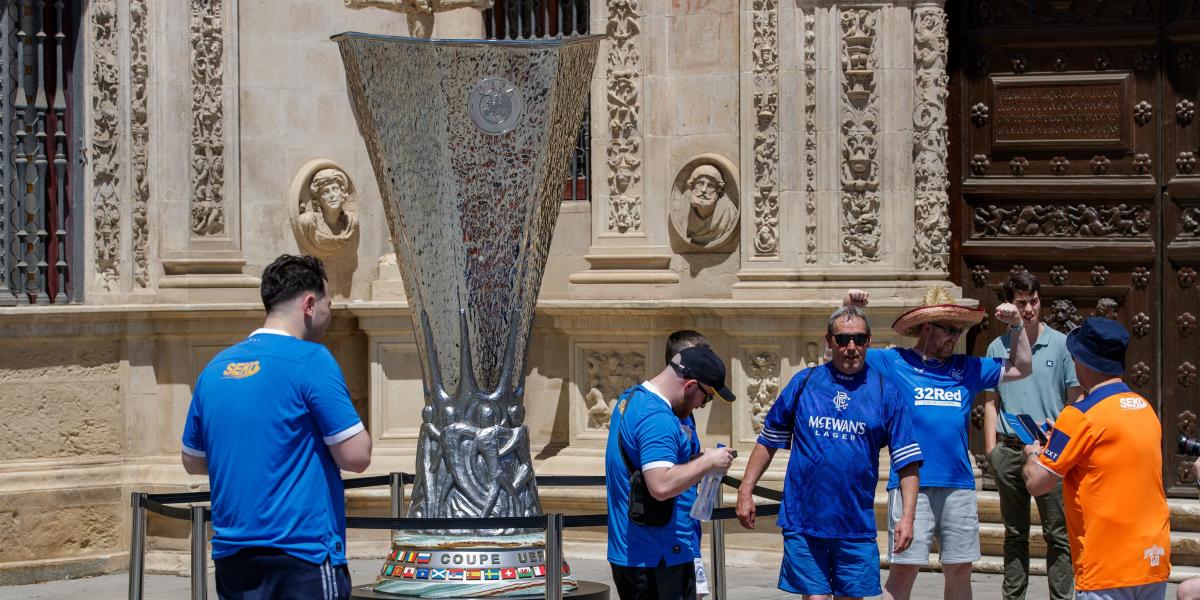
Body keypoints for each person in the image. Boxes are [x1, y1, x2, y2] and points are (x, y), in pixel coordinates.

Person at [181, 254, 372, 600]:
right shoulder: (313, 360)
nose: (330, 313)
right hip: (303, 553)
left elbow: (193, 460)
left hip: (233, 555)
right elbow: (357, 455)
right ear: (310, 304)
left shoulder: (215, 368)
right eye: (329, 303)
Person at [844, 287, 1031, 600]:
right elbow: (840, 358)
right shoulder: (895, 361)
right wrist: (849, 309)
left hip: (958, 483)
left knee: (959, 568)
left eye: (959, 329)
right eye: (950, 329)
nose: (956, 337)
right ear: (928, 327)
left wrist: (1017, 327)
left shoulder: (968, 367)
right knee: (904, 569)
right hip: (909, 483)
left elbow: (1022, 367)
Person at [734, 305, 924, 600]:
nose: (851, 347)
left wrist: (907, 518)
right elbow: (768, 440)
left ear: (869, 341)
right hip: (805, 519)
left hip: (855, 525)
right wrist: (745, 490)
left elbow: (908, 461)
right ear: (829, 341)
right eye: (843, 339)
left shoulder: (886, 391)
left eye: (859, 339)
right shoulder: (804, 383)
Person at [1021, 317, 1171, 599]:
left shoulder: (1079, 415)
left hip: (1106, 566)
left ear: (1081, 362)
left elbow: (1038, 483)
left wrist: (1033, 452)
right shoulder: (1145, 409)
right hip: (1152, 559)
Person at [606, 346, 737, 600]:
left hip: (631, 551)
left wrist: (695, 460)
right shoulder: (659, 418)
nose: (702, 406)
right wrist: (709, 462)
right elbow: (661, 485)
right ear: (689, 386)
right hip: (659, 557)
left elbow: (648, 465)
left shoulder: (630, 398)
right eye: (707, 397)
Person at [981, 273, 1082, 600]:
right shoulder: (998, 346)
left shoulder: (1061, 343)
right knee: (1014, 534)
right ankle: (1014, 597)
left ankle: (1062, 597)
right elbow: (991, 402)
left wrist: (1067, 444)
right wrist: (991, 451)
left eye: (1033, 301)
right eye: (1021, 302)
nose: (1028, 309)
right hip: (1010, 450)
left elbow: (1076, 399)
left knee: (1058, 534)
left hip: (1051, 451)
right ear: (1010, 304)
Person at [664, 330, 714, 599]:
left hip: (688, 530)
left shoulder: (686, 409)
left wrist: (706, 461)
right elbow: (661, 479)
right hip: (668, 537)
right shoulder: (661, 413)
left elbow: (683, 461)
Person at [297, 167, 358, 255]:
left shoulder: (351, 222)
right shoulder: (308, 222)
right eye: (325, 192)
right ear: (318, 199)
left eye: (335, 189)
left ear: (342, 194)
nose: (332, 195)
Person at [684, 165, 739, 249]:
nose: (703, 190)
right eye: (700, 183)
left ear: (718, 190)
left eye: (710, 186)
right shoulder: (684, 213)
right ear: (692, 186)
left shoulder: (729, 213)